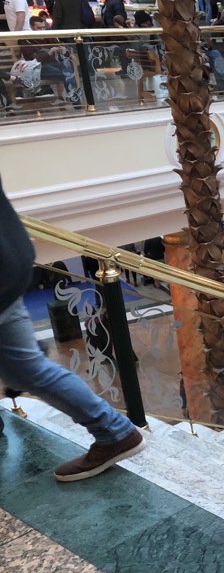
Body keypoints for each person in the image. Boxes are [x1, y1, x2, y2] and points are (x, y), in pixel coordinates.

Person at [0, 179, 145, 477]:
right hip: (10, 257)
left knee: (27, 368)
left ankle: (115, 432)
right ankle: (114, 431)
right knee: (27, 367)